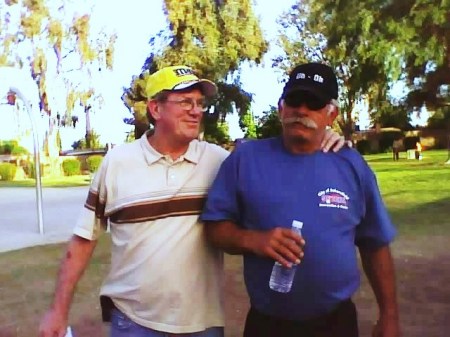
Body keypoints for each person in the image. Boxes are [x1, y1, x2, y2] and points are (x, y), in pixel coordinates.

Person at [39, 65, 348, 337]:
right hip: (133, 323)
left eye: (200, 103)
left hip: (202, 325)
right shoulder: (118, 163)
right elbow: (83, 241)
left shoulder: (220, 162)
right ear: (156, 109)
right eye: (185, 102)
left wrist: (325, 135)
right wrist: (57, 310)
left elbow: (274, 165)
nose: (196, 110)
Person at [201, 63, 400, 337]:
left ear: (331, 114)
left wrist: (389, 316)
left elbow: (375, 244)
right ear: (281, 107)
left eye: (314, 102)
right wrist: (255, 241)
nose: (302, 110)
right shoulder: (245, 160)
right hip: (268, 324)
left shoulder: (351, 165)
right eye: (295, 100)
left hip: (336, 323)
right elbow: (215, 228)